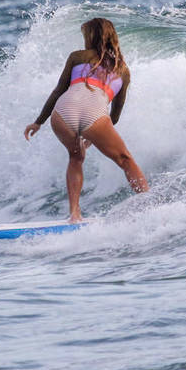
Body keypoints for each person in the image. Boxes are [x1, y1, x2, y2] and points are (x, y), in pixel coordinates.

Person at [24, 18, 149, 221]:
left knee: (75, 157)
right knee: (125, 160)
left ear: (91, 36)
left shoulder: (77, 57)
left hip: (63, 111)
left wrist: (38, 122)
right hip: (96, 115)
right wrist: (95, 133)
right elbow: (114, 115)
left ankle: (74, 213)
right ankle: (148, 205)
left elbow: (58, 91)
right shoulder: (123, 70)